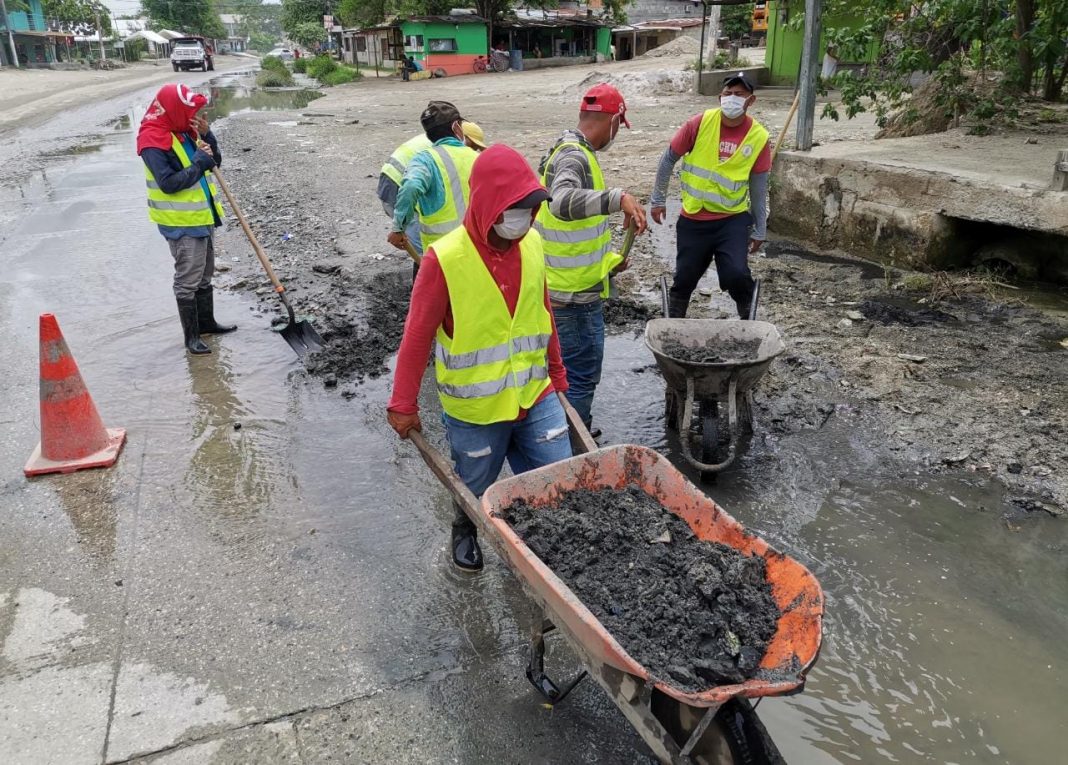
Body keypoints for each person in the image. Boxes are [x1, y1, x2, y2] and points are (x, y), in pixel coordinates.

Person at [387, 145, 573, 573]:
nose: (524, 218)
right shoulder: (445, 260)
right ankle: (465, 527)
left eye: (531, 208)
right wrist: (403, 403)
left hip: (533, 391)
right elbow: (416, 336)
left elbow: (542, 311)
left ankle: (546, 552)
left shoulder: (533, 246)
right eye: (516, 208)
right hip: (477, 407)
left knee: (558, 479)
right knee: (474, 483)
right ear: (489, 202)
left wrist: (558, 373)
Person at [534, 83, 647, 432]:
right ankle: (573, 441)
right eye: (618, 126)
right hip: (572, 298)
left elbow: (573, 238)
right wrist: (617, 198)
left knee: (561, 370)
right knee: (579, 374)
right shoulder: (573, 156)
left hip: (564, 287)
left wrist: (610, 263)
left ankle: (566, 431)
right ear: (613, 120)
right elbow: (562, 202)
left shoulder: (569, 150)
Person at [650, 72, 770, 319]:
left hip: (732, 220)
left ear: (751, 100)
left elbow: (758, 187)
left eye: (739, 94)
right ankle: (673, 323)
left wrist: (760, 227)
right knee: (685, 277)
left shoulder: (758, 137)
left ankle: (748, 317)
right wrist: (658, 199)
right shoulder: (699, 123)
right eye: (728, 94)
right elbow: (668, 159)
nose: (732, 99)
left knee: (736, 274)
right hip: (694, 218)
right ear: (719, 97)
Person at [137, 83, 235, 355]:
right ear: (175, 110)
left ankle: (207, 325)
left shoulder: (184, 133)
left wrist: (208, 135)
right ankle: (191, 338)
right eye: (191, 111)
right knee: (188, 279)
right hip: (181, 223)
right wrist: (198, 164)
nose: (195, 116)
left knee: (205, 275)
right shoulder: (152, 140)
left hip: (203, 216)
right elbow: (168, 183)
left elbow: (214, 161)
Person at [387, 101, 478, 259]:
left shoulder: (424, 160)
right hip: (477, 249)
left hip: (441, 253)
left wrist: (398, 228)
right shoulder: (477, 158)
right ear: (456, 127)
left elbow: (410, 186)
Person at [377, 133, 432, 254]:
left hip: (392, 175)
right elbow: (411, 188)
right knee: (418, 237)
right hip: (398, 180)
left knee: (414, 231)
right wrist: (398, 229)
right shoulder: (446, 147)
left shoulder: (436, 133)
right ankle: (426, 267)